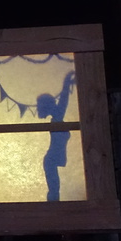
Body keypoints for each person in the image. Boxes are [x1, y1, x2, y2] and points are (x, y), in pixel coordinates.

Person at [37, 70, 77, 202]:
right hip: (51, 160)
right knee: (54, 190)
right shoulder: (56, 119)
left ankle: (53, 208)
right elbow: (63, 101)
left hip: (52, 159)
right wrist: (67, 82)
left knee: (54, 190)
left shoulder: (56, 120)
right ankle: (53, 209)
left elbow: (63, 102)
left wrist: (67, 81)